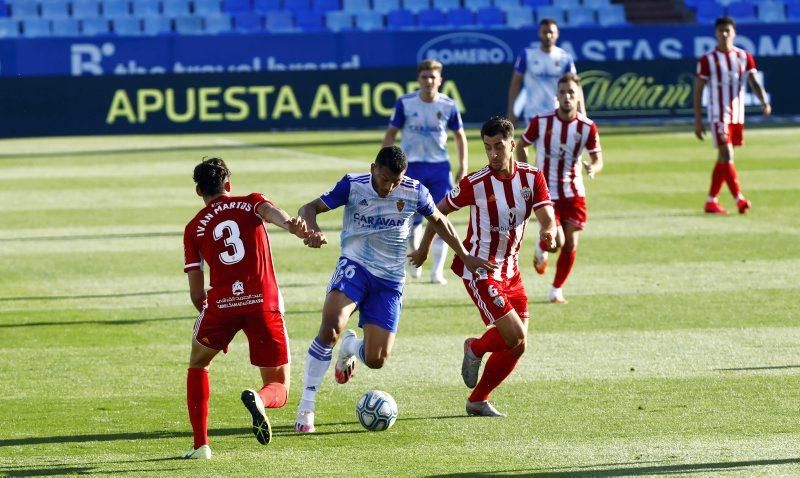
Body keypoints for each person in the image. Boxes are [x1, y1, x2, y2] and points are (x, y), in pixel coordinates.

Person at [293, 145, 496, 433]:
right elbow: (309, 207)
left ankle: (351, 346)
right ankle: (306, 407)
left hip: (389, 280)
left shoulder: (414, 191)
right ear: (373, 168)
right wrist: (312, 229)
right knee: (331, 325)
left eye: (395, 181)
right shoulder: (353, 184)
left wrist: (464, 255)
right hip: (355, 266)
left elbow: (440, 221)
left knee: (377, 360)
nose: (389, 187)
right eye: (385, 178)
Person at [410, 117, 556, 417]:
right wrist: (424, 248)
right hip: (480, 269)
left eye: (498, 147)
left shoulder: (532, 178)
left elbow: (546, 215)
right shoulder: (476, 183)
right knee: (514, 334)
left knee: (518, 345)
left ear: (512, 145)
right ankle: (475, 348)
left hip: (511, 272)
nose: (492, 154)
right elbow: (438, 212)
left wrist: (549, 231)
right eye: (487, 147)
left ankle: (478, 399)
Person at [182, 157, 318, 459]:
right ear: (228, 185)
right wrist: (292, 226)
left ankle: (201, 445)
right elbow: (274, 213)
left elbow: (195, 293)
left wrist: (215, 316)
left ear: (198, 192)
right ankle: (259, 398)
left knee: (198, 364)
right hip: (262, 303)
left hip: (222, 305)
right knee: (278, 386)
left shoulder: (193, 227)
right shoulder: (250, 202)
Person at [516, 73, 603, 304]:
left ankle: (556, 289)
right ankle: (542, 245)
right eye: (563, 92)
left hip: (574, 190)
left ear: (577, 97)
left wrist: (593, 168)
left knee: (572, 242)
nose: (566, 96)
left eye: (571, 93)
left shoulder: (587, 127)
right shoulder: (541, 121)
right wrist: (527, 172)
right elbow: (522, 144)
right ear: (557, 94)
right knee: (558, 242)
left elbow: (598, 158)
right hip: (546, 192)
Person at [383, 58, 468, 285]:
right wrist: (385, 163)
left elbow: (460, 136)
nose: (429, 81)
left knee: (440, 218)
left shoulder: (448, 105)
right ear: (418, 79)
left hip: (440, 168)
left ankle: (437, 272)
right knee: (411, 220)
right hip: (411, 168)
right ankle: (415, 256)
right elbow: (391, 132)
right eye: (424, 77)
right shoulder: (405, 103)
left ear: (440, 80)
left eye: (433, 77)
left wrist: (464, 166)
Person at [694, 16, 771, 215]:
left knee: (724, 158)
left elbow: (753, 81)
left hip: (737, 114)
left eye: (728, 30)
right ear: (715, 33)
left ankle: (711, 201)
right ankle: (740, 199)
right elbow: (698, 90)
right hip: (718, 114)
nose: (725, 34)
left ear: (734, 33)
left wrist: (764, 101)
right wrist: (698, 120)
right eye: (721, 31)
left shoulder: (744, 57)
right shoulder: (707, 60)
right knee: (727, 154)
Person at [507, 18, 583, 128]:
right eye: (544, 32)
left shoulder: (565, 58)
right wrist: (512, 112)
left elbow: (575, 86)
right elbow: (515, 83)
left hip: (557, 111)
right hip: (533, 113)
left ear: (557, 34)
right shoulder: (527, 55)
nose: (548, 35)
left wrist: (581, 112)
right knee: (541, 145)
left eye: (551, 32)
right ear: (539, 33)